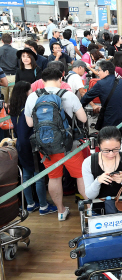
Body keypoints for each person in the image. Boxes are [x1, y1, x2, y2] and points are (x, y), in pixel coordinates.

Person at [24, 67, 88, 221]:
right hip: (69, 145)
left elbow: (30, 123)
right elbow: (84, 119)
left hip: (46, 146)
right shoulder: (68, 95)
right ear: (61, 78)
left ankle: (60, 211)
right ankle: (89, 209)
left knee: (54, 177)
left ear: (42, 80)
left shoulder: (33, 97)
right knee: (80, 175)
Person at [9, 81, 56, 214]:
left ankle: (30, 204)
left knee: (26, 176)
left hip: (20, 145)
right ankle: (43, 206)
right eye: (30, 90)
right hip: (32, 144)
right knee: (39, 175)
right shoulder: (28, 108)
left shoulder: (14, 109)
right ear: (26, 92)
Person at [82, 126, 122, 213]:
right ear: (99, 146)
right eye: (106, 150)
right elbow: (90, 195)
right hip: (99, 210)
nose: (111, 154)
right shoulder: (89, 162)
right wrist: (98, 181)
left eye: (116, 149)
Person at [81, 60, 122, 128]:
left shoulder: (101, 84)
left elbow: (86, 98)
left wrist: (78, 108)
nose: (98, 73)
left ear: (106, 72)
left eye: (99, 70)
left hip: (110, 121)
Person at [0, 34, 18, 101]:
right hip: (13, 76)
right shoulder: (16, 51)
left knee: (3, 99)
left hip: (2, 77)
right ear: (11, 41)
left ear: (2, 41)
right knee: (12, 99)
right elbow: (19, 65)